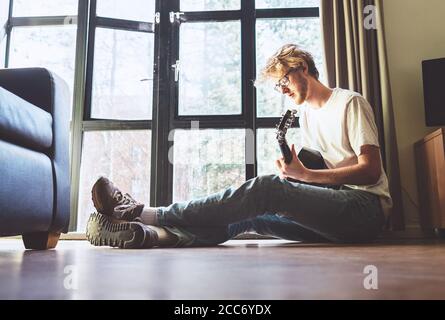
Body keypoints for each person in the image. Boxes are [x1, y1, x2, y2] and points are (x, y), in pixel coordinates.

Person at [86, 44, 392, 249]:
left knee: (266, 189)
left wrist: (305, 178)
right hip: (335, 217)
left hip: (365, 211)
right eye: (278, 85)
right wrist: (296, 175)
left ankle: (145, 213)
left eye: (283, 80)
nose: (282, 90)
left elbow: (371, 171)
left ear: (301, 68)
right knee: (247, 215)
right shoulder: (308, 116)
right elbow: (322, 178)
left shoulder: (349, 102)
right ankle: (150, 236)